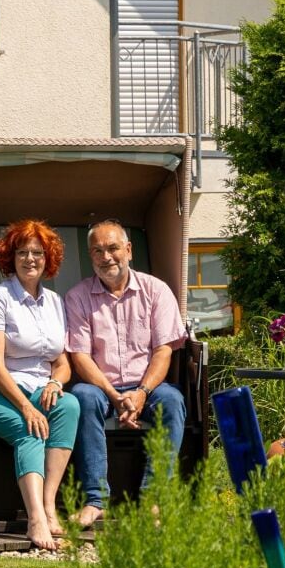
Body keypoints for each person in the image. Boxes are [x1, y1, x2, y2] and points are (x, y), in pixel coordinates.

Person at [0, 219, 80, 550]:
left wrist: (56, 382)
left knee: (70, 405)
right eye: (22, 252)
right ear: (9, 258)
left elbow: (62, 361)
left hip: (37, 386)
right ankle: (36, 519)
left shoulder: (55, 302)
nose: (30, 259)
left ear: (47, 258)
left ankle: (50, 505)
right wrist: (26, 406)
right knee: (30, 430)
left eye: (37, 252)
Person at [65, 218, 187, 528]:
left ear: (128, 250)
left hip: (148, 384)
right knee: (82, 398)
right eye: (97, 251)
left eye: (112, 248)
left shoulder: (156, 291)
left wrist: (142, 393)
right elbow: (79, 357)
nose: (106, 257)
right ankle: (96, 500)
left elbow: (163, 351)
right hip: (100, 386)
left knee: (172, 401)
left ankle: (154, 499)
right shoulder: (77, 297)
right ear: (90, 256)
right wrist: (114, 395)